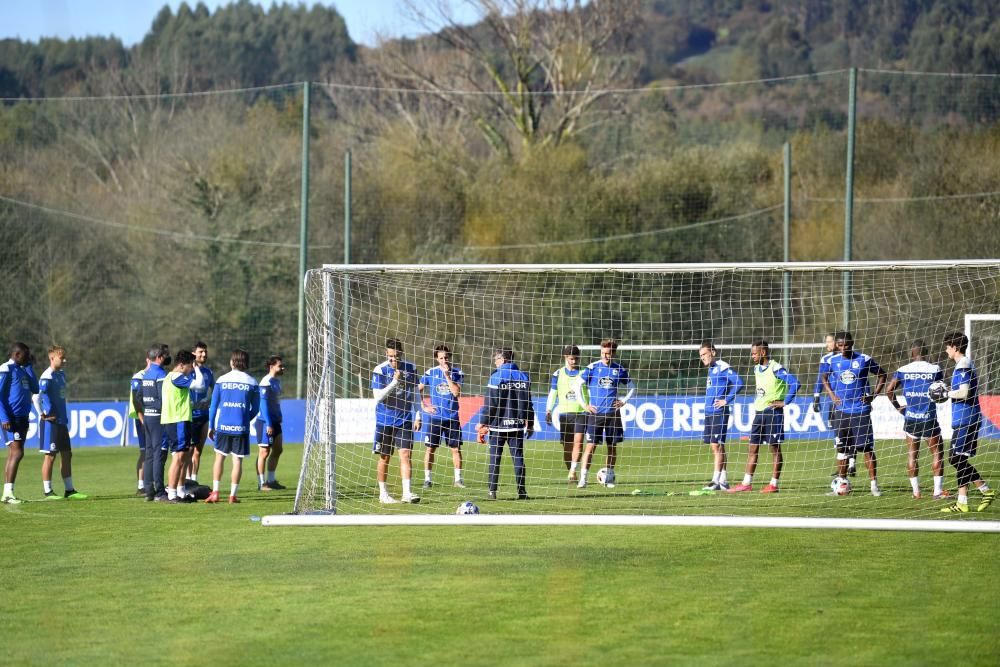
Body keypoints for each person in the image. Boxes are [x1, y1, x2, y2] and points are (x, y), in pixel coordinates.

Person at [821, 331, 887, 497]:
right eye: (840, 345)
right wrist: (832, 395)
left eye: (847, 345)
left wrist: (872, 396)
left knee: (866, 448)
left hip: (860, 412)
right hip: (841, 412)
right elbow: (823, 378)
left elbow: (882, 375)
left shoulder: (863, 359)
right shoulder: (831, 360)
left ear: (852, 343)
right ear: (837, 345)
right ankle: (841, 484)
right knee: (841, 449)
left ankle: (874, 486)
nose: (844, 348)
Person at [729, 340, 799, 494]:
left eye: (754, 353)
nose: (752, 356)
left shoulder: (776, 368)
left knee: (774, 449)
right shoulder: (756, 369)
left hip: (773, 413)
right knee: (752, 448)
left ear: (763, 352)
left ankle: (773, 484)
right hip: (759, 413)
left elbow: (795, 383)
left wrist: (784, 402)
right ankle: (746, 483)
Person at [940, 332, 994, 514]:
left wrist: (946, 393)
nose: (946, 350)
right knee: (959, 458)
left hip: (966, 419)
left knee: (955, 458)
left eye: (947, 347)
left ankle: (986, 490)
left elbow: (964, 393)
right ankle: (962, 502)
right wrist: (949, 390)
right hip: (963, 419)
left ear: (955, 347)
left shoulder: (963, 365)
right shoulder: (961, 366)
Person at [885, 340, 947, 499]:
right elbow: (940, 391)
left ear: (912, 354)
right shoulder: (935, 369)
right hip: (928, 418)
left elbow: (889, 390)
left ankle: (916, 492)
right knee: (937, 454)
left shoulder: (902, 370)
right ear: (925, 352)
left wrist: (899, 408)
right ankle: (937, 492)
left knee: (912, 454)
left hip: (910, 418)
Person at [478, 347, 534, 500]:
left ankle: (492, 492)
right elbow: (528, 403)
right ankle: (522, 492)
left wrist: (483, 422)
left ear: (503, 360)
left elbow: (491, 404)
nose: (495, 363)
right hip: (516, 425)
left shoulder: (496, 377)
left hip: (498, 426)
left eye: (496, 360)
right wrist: (531, 423)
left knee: (494, 459)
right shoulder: (524, 376)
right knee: (518, 458)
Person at [578, 339, 634, 489]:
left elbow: (632, 387)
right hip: (595, 415)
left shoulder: (619, 369)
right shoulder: (592, 367)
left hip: (612, 415)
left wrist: (624, 401)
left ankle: (608, 478)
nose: (605, 356)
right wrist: (585, 405)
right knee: (590, 446)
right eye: (603, 353)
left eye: (608, 353)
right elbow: (576, 385)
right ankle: (583, 479)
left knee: (612, 447)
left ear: (614, 353)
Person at [206, 349, 260, 504]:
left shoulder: (222, 380)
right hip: (240, 428)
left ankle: (215, 493)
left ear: (232, 362)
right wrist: (244, 418)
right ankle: (232, 496)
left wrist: (211, 425)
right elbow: (255, 409)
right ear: (246, 363)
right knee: (237, 461)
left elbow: (213, 406)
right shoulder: (252, 382)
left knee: (219, 458)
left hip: (223, 426)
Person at [371, 338, 421, 504]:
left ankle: (407, 493)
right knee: (385, 457)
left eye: (397, 356)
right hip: (385, 421)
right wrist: (394, 382)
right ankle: (383, 494)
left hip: (405, 419)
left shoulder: (411, 368)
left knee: (406, 454)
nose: (394, 360)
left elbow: (415, 393)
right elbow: (378, 397)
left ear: (401, 354)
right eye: (391, 356)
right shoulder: (380, 370)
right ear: (386, 354)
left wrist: (418, 414)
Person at [34, 345, 87, 500]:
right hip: (50, 423)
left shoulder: (61, 375)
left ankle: (69, 490)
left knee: (67, 454)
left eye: (65, 357)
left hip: (62, 421)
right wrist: (42, 415)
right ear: (52, 358)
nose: (65, 360)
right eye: (61, 358)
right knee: (50, 456)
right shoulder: (47, 377)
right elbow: (35, 397)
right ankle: (48, 491)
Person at [417, 344, 465, 489]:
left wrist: (447, 376)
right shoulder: (430, 373)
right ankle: (427, 480)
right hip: (435, 418)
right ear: (436, 359)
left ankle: (458, 480)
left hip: (452, 417)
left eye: (446, 357)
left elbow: (456, 392)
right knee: (430, 449)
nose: (444, 360)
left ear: (449, 357)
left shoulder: (457, 372)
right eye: (441, 358)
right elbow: (416, 389)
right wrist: (424, 407)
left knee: (455, 449)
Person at [698, 341, 743, 492]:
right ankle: (723, 480)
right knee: (716, 445)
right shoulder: (711, 369)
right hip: (710, 412)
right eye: (701, 355)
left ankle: (715, 481)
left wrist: (726, 400)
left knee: (717, 445)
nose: (702, 357)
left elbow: (739, 382)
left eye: (704, 354)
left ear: (713, 353)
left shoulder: (722, 367)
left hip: (719, 412)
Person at [1, 342, 40, 504]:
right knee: (17, 452)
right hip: (11, 418)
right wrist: (4, 418)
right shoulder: (6, 369)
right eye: (26, 354)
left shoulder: (23, 370)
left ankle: (7, 493)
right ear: (16, 354)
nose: (28, 356)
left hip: (23, 418)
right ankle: (8, 492)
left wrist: (29, 365)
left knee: (16, 452)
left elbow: (36, 389)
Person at [545, 344, 589, 483]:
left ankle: (573, 471)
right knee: (567, 447)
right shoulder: (558, 374)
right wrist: (548, 410)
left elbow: (592, 391)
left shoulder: (585, 372)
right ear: (565, 357)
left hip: (581, 412)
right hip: (564, 414)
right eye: (571, 358)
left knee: (578, 442)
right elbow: (553, 393)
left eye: (576, 358)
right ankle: (571, 471)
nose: (574, 361)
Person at [812, 333, 854, 475]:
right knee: (838, 434)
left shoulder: (852, 357)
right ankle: (844, 465)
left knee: (852, 432)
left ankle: (851, 463)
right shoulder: (826, 359)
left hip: (850, 401)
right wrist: (816, 396)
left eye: (829, 342)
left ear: (836, 343)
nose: (827, 345)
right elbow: (820, 379)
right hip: (834, 402)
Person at [133, 344, 170, 502]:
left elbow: (138, 396)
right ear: (160, 357)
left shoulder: (146, 374)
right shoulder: (161, 374)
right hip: (158, 418)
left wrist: (147, 407)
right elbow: (163, 398)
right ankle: (160, 492)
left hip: (147, 417)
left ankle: (149, 490)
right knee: (159, 453)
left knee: (149, 453)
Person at [161, 350, 197, 503]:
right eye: (190, 366)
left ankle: (181, 491)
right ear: (181, 365)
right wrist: (199, 369)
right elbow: (199, 385)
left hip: (178, 420)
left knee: (183, 456)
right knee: (179, 457)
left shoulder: (169, 377)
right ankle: (172, 492)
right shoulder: (177, 377)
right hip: (177, 421)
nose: (192, 369)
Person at [256, 354, 287, 491]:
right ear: (271, 367)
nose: (282, 368)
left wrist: (278, 416)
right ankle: (262, 483)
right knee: (264, 452)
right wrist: (268, 423)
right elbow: (263, 405)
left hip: (275, 421)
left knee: (278, 449)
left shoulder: (277, 381)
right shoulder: (265, 382)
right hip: (264, 422)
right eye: (280, 366)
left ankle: (271, 480)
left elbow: (275, 402)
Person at [187, 341, 215, 488]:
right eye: (200, 352)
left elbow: (215, 391)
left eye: (205, 352)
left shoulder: (209, 372)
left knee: (198, 451)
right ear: (194, 354)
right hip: (190, 416)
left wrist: (208, 400)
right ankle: (186, 481)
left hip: (204, 416)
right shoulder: (187, 371)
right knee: (189, 450)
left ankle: (194, 481)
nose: (204, 354)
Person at [129, 356, 151, 496]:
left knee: (154, 452)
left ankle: (151, 483)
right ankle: (141, 486)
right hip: (142, 419)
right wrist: (142, 418)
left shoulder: (158, 375)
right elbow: (137, 399)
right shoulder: (139, 377)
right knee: (145, 452)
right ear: (148, 359)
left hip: (154, 418)